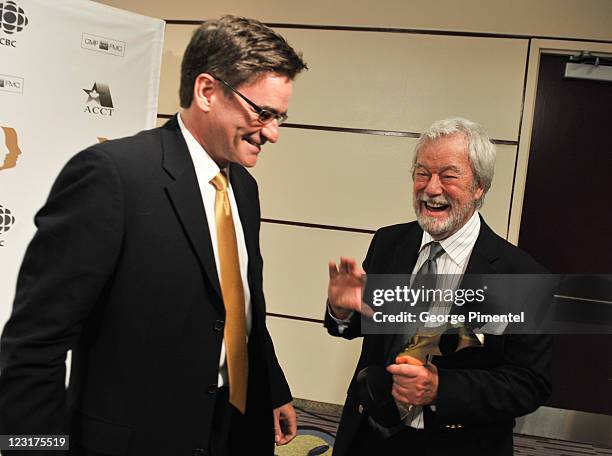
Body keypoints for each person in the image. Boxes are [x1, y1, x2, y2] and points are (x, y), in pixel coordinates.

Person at [0, 15, 306, 455]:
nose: (274, 133)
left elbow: (241, 307)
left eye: (281, 117)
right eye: (262, 113)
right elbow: (33, 347)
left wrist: (272, 388)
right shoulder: (111, 177)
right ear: (206, 91)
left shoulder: (243, 188)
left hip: (235, 429)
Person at [325, 118, 551, 456]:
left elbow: (529, 384)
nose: (431, 188)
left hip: (457, 443)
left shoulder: (521, 276)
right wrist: (342, 311)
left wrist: (440, 389)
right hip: (369, 434)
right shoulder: (389, 243)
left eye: (448, 175)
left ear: (479, 187)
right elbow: (367, 326)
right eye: (422, 173)